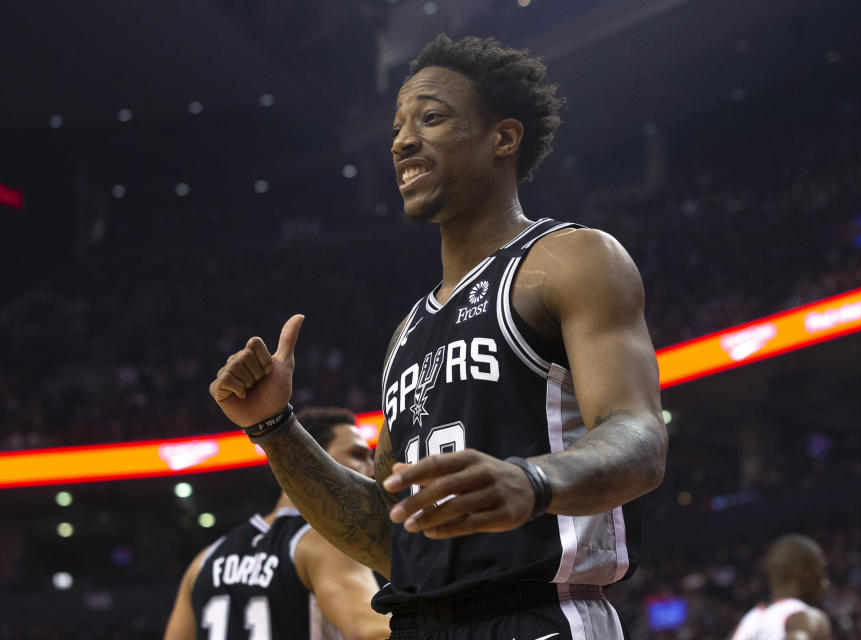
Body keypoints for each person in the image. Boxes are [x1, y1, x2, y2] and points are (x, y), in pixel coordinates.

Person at [209, 34, 667, 639]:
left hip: (536, 614)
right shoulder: (408, 331)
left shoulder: (570, 259)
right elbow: (386, 531)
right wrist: (276, 429)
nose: (401, 141)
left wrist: (535, 481)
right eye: (397, 127)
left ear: (502, 138)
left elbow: (639, 434)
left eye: (431, 118)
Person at [163, 407, 391, 640]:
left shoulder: (203, 562)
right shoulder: (323, 544)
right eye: (358, 455)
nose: (374, 471)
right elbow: (374, 633)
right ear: (313, 457)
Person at [730, 534, 832, 640]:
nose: (826, 582)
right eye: (822, 572)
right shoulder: (807, 618)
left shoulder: (748, 621)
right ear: (804, 574)